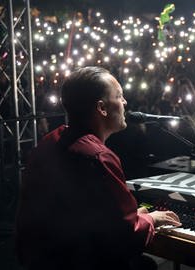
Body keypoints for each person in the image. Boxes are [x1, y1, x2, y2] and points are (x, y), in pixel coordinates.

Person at [15, 66, 181, 270]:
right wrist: (151, 218)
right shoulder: (99, 157)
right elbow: (127, 235)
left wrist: (134, 216)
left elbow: (85, 215)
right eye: (119, 96)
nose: (125, 103)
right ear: (102, 108)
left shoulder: (50, 142)